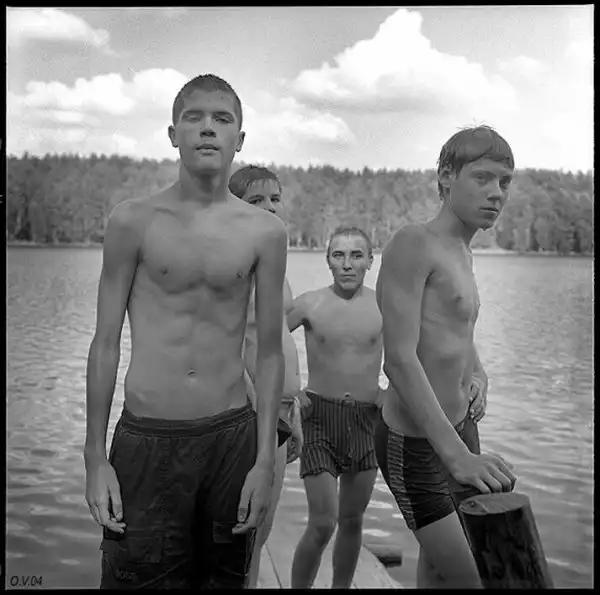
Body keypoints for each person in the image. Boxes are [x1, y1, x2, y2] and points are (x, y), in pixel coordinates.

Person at [83, 74, 288, 589]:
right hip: (149, 438)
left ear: (240, 138)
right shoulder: (133, 221)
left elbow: (269, 352)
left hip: (231, 438)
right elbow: (104, 343)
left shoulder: (266, 232)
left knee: (224, 580)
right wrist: (94, 457)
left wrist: (265, 460)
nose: (207, 128)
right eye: (194, 117)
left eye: (222, 119)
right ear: (173, 134)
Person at [374, 125, 518, 589]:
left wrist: (479, 374)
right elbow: (398, 360)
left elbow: (456, 330)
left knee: (438, 573)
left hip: (460, 429)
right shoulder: (413, 243)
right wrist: (458, 458)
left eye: (505, 182)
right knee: (478, 580)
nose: (496, 193)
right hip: (416, 444)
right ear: (446, 176)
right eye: (483, 178)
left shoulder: (462, 251)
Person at [287, 226, 385, 589]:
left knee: (352, 521)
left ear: (370, 261)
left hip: (366, 420)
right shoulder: (310, 304)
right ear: (327, 260)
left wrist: (390, 393)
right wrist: (289, 391)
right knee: (323, 522)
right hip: (318, 418)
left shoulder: (385, 306)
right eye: (338, 255)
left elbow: (417, 350)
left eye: (356, 255)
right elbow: (265, 341)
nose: (347, 264)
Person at [228, 164, 304, 588]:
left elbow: (281, 338)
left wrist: (295, 411)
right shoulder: (233, 268)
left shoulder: (274, 262)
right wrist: (264, 416)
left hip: (282, 411)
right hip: (254, 413)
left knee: (261, 531)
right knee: (242, 531)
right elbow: (227, 345)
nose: (270, 207)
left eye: (275, 199)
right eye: (256, 200)